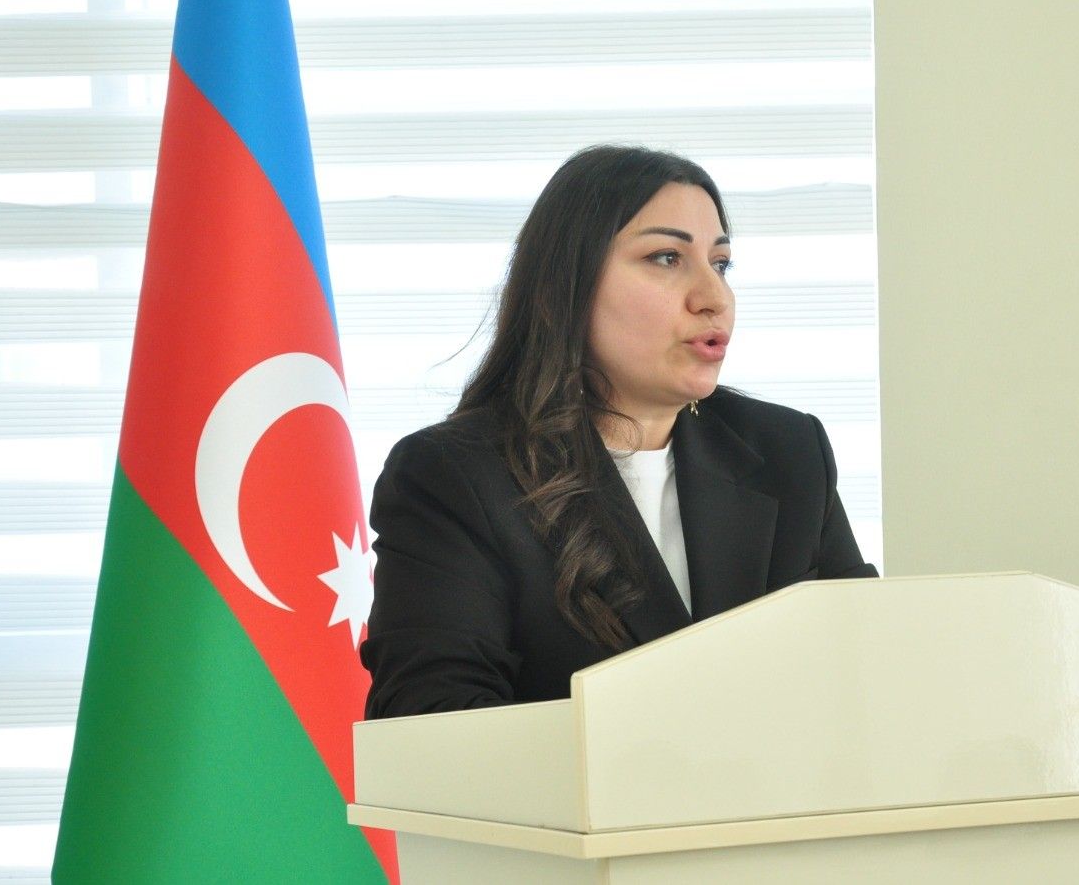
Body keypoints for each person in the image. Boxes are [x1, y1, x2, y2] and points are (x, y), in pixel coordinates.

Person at [360, 144, 877, 718]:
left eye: (721, 263)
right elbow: (431, 721)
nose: (714, 298)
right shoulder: (453, 475)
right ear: (568, 286)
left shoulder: (788, 452)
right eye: (666, 258)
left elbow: (867, 676)